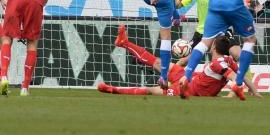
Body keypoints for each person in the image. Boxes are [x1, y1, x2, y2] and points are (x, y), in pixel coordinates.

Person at [100, 25, 260, 98]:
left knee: (151, 90)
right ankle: (124, 43)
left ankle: (113, 89)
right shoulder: (227, 60)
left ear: (213, 48)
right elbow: (240, 76)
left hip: (187, 89)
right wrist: (254, 90)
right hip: (188, 78)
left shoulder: (217, 64)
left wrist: (231, 95)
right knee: (158, 63)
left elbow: (234, 79)